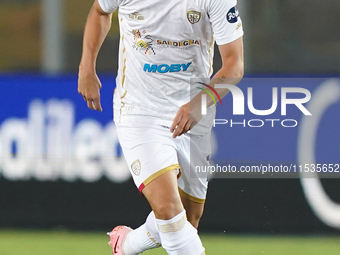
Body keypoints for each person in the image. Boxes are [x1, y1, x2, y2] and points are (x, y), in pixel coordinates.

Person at [78, 0, 244, 254]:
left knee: (187, 219)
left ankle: (127, 245)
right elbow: (100, 10)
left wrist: (199, 103)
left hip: (194, 109)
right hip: (139, 109)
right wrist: (86, 67)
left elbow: (234, 63)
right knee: (168, 210)